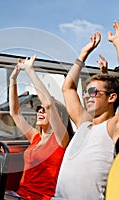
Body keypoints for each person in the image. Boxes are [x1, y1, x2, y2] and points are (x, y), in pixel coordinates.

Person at [53, 19, 119, 199]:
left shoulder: (118, 126)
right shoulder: (83, 124)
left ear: (112, 97)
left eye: (93, 91)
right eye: (85, 92)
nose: (86, 96)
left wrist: (118, 41)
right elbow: (67, 88)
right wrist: (83, 54)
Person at [8, 55, 72, 199]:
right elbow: (15, 113)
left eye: (44, 110)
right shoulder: (36, 137)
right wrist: (13, 80)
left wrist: (30, 71)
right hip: (21, 195)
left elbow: (49, 104)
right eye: (39, 109)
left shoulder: (60, 139)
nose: (40, 111)